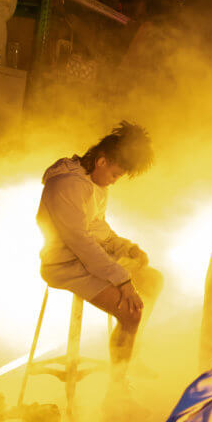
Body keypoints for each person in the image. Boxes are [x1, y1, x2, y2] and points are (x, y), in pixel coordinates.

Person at [36, 121, 162, 403]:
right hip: (63, 265)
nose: (115, 180)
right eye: (115, 174)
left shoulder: (93, 183)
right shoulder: (67, 185)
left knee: (152, 280)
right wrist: (122, 280)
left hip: (85, 258)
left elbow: (97, 229)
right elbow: (80, 242)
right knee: (132, 311)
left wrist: (125, 248)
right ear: (102, 161)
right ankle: (117, 394)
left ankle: (129, 354)